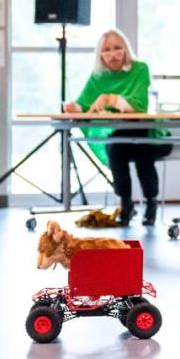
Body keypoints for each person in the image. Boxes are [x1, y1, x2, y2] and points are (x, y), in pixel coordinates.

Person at [64, 29, 172, 226]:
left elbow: (138, 105)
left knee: (143, 155)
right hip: (119, 134)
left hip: (146, 131)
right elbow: (85, 104)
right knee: (115, 150)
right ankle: (126, 204)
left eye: (117, 48)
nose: (112, 54)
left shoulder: (139, 69)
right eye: (106, 50)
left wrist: (108, 98)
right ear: (100, 54)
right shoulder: (98, 76)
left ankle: (151, 204)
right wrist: (75, 107)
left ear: (125, 50)